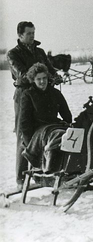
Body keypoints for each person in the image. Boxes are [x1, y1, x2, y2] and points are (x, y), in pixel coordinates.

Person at [7, 21, 62, 189]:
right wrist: (42, 78)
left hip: (43, 97)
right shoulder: (13, 54)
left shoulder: (40, 52)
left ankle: (44, 170)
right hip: (24, 96)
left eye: (33, 32)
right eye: (29, 33)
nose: (32, 36)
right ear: (20, 35)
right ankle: (20, 178)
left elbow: (50, 69)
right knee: (25, 135)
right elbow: (23, 75)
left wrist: (55, 75)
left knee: (45, 131)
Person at [19, 63, 72, 175]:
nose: (42, 82)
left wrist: (68, 124)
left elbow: (67, 115)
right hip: (37, 130)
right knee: (57, 135)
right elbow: (24, 122)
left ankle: (70, 166)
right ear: (33, 80)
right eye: (39, 79)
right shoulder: (28, 95)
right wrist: (29, 144)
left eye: (44, 78)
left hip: (53, 126)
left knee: (71, 134)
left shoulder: (55, 93)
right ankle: (50, 167)